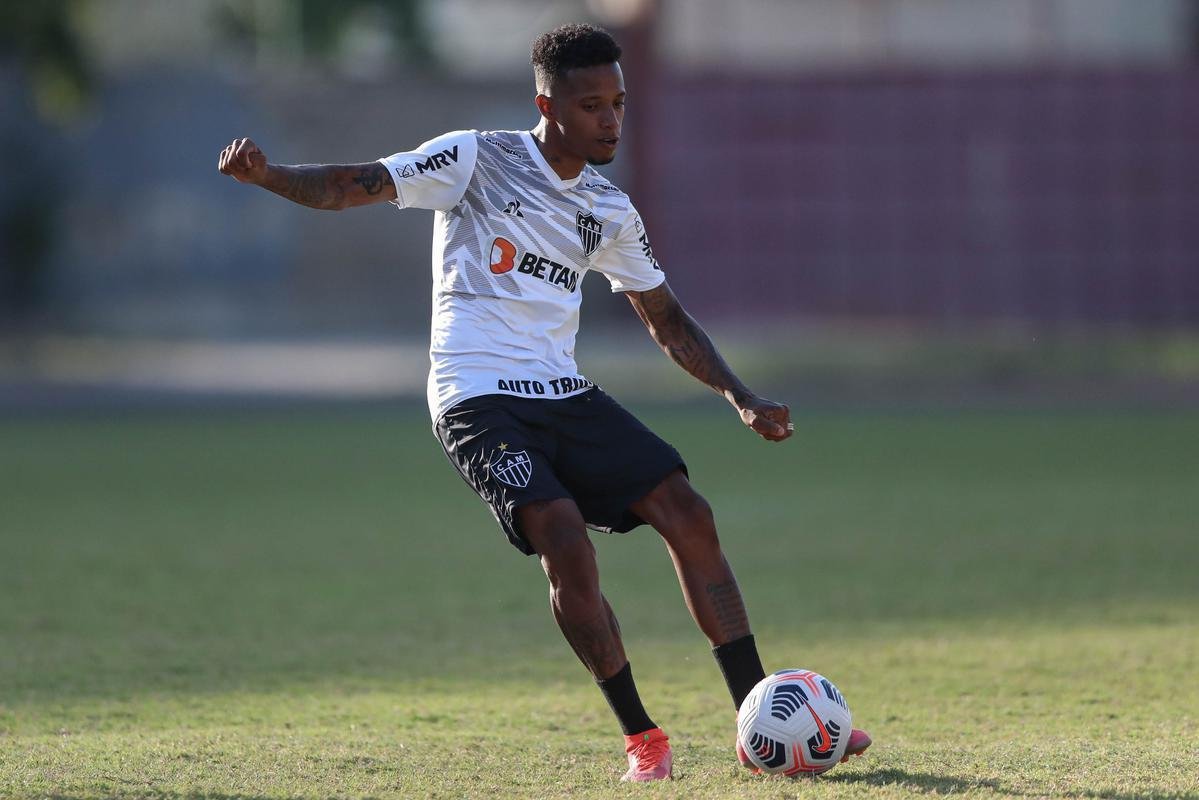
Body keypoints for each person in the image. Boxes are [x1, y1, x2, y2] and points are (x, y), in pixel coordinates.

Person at [218, 22, 870, 783]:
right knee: (564, 535)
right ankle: (643, 740)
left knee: (687, 512)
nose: (610, 120)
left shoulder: (608, 209)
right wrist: (269, 176)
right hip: (474, 397)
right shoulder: (475, 158)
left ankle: (759, 717)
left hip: (561, 390)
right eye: (591, 105)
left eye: (617, 103)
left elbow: (666, 321)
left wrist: (740, 395)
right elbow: (347, 185)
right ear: (547, 106)